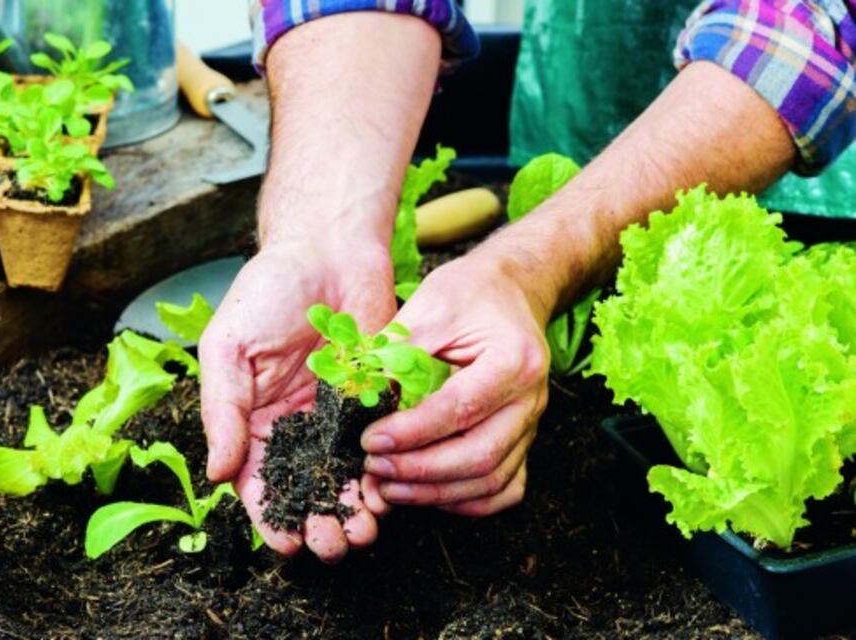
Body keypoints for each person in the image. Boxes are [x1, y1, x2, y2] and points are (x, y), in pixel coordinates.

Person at [199, 0, 856, 562]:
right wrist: (319, 233)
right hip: (592, 87)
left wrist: (528, 268)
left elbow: (801, 31)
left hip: (806, 156)